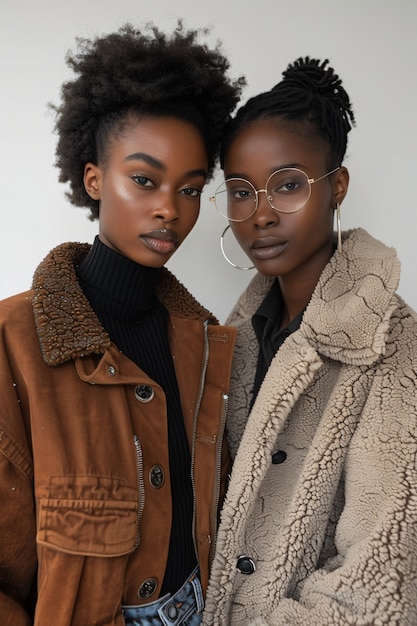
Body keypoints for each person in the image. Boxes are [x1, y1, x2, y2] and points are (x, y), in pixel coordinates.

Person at [0, 22, 244, 626]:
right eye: (144, 179)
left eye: (190, 189)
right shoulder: (14, 342)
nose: (170, 208)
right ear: (92, 179)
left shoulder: (207, 342)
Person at [203, 57, 417, 625]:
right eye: (241, 191)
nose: (262, 214)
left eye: (289, 185)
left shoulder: (392, 345)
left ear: (337, 186)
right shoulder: (233, 340)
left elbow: (379, 581)